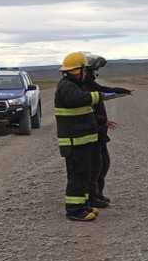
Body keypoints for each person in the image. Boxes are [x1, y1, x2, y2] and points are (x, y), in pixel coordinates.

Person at [54, 52, 105, 222]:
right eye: (85, 69)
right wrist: (100, 95)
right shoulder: (67, 87)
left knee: (84, 175)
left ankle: (83, 205)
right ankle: (74, 210)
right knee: (77, 177)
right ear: (79, 70)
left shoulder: (74, 84)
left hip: (83, 141)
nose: (86, 73)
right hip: (75, 142)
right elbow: (78, 99)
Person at [82, 54, 132, 209]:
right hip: (92, 131)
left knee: (103, 164)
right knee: (96, 166)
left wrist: (123, 91)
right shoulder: (83, 88)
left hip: (99, 132)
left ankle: (97, 195)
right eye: (93, 72)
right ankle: (92, 197)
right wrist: (102, 120)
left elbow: (106, 91)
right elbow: (85, 112)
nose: (95, 75)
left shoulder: (91, 85)